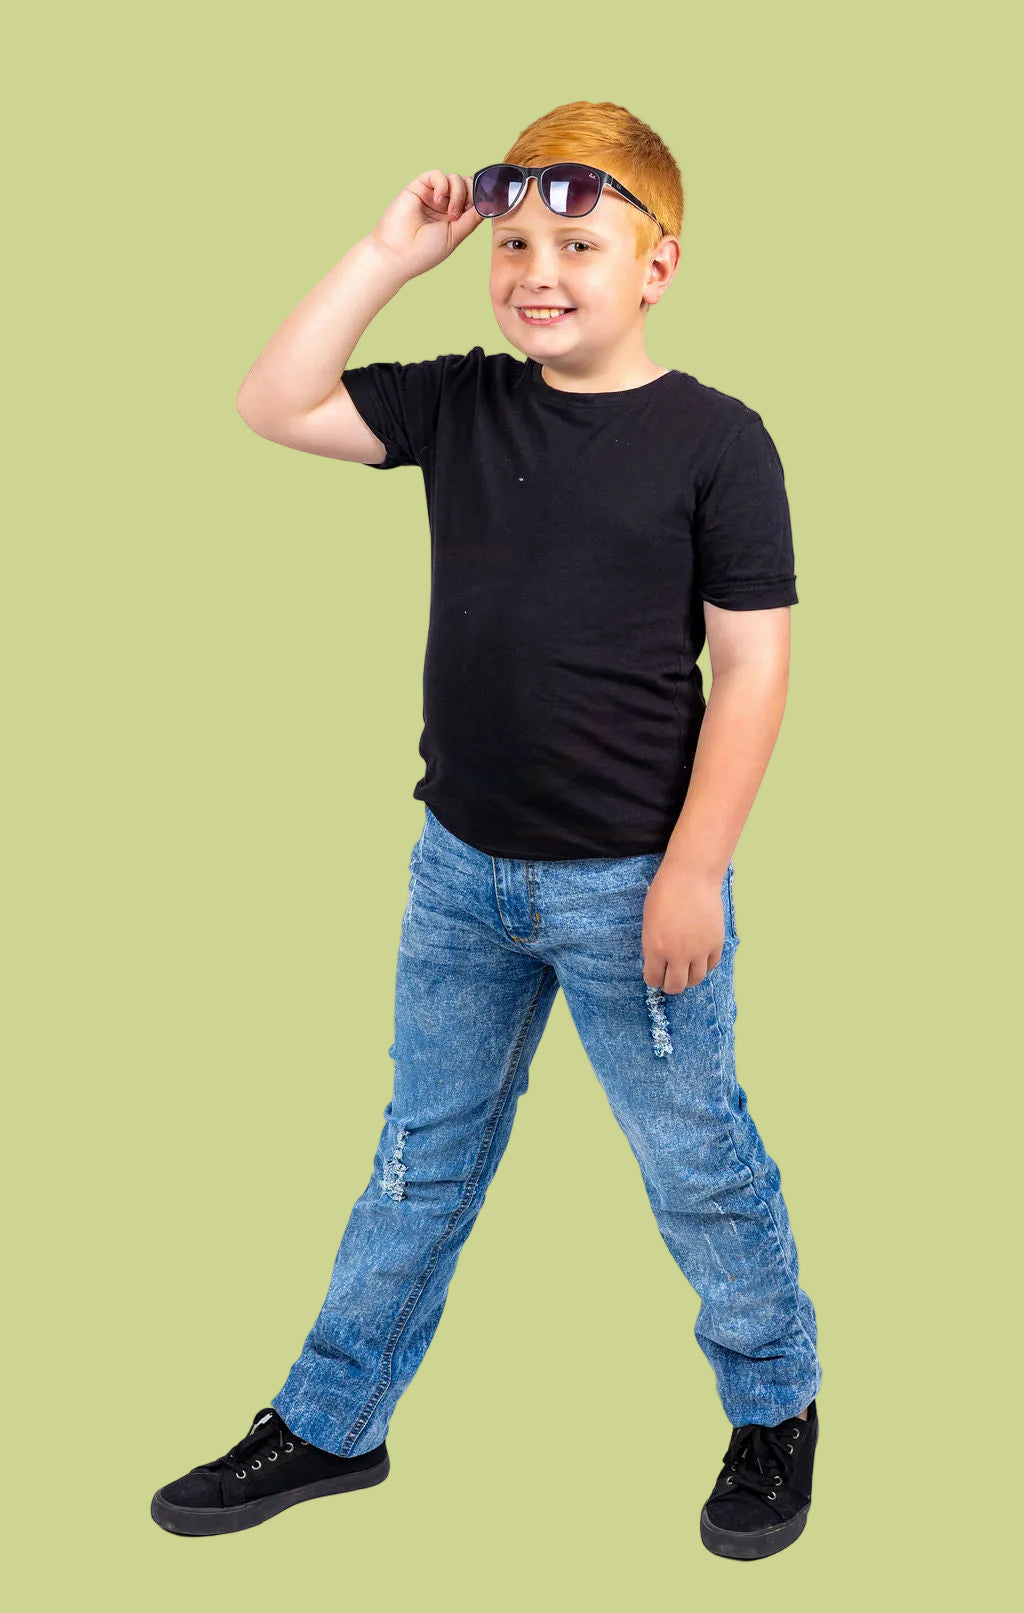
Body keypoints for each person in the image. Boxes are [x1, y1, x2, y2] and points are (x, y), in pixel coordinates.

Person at [151, 101, 821, 1560]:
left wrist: (696, 868)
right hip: (460, 874)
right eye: (512, 244)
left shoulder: (718, 441)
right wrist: (390, 254)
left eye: (579, 245)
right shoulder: (462, 401)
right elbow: (275, 400)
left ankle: (775, 1404)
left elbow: (753, 665)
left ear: (659, 265)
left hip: (634, 883)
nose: (537, 272)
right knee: (420, 1155)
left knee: (697, 1161)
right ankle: (334, 1420)